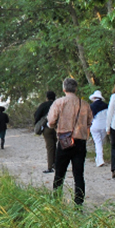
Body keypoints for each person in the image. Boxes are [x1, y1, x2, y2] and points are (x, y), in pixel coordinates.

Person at [47, 78, 94, 206]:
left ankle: (56, 201)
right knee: (79, 174)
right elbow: (90, 122)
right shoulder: (84, 104)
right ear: (76, 89)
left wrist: (58, 126)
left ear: (64, 89)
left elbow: (51, 122)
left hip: (64, 141)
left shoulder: (59, 103)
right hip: (80, 142)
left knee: (59, 174)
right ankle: (78, 204)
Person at [33, 91, 58, 173]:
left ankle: (50, 166)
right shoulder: (58, 104)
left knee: (50, 146)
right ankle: (57, 164)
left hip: (47, 128)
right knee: (57, 145)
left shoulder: (44, 105)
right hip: (58, 127)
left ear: (47, 97)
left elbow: (36, 115)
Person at [89, 91, 109, 167]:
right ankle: (99, 158)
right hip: (104, 126)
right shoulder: (106, 106)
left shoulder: (91, 106)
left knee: (98, 142)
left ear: (94, 98)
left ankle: (100, 159)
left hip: (95, 125)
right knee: (101, 142)